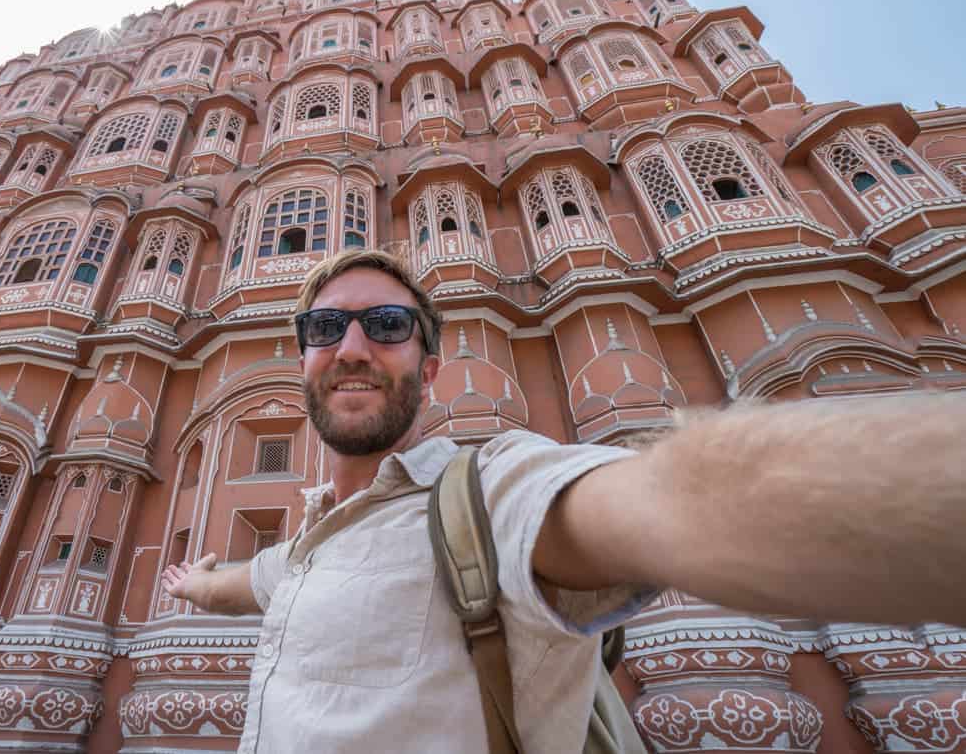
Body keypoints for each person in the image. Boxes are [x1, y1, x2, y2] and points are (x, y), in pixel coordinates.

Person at [161, 248, 966, 753]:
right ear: (301, 356)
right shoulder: (307, 545)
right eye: (325, 327)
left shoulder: (488, 489)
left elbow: (672, 501)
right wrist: (192, 582)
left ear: (430, 367)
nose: (352, 347)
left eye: (385, 323)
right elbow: (252, 583)